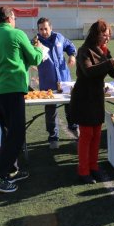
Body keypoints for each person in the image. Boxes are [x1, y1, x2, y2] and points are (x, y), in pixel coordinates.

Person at [0, 7, 43, 193]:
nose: (16, 20)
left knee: (8, 133)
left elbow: (13, 60)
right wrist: (39, 49)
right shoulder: (17, 34)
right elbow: (35, 59)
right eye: (15, 17)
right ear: (10, 18)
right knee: (16, 135)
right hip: (11, 90)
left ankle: (10, 169)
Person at [68, 20, 114, 184]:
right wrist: (110, 62)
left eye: (108, 35)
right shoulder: (84, 50)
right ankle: (83, 171)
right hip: (84, 97)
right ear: (95, 34)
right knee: (86, 135)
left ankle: (93, 167)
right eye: (104, 35)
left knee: (97, 134)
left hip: (97, 97)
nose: (107, 38)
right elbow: (89, 71)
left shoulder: (104, 51)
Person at [35, 17, 79, 149]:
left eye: (46, 28)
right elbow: (30, 57)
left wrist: (72, 55)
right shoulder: (35, 42)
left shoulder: (59, 38)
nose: (44, 31)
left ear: (51, 28)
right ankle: (53, 138)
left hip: (64, 80)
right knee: (50, 111)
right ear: (38, 30)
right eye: (41, 29)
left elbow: (70, 46)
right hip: (48, 83)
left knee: (70, 107)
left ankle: (74, 128)